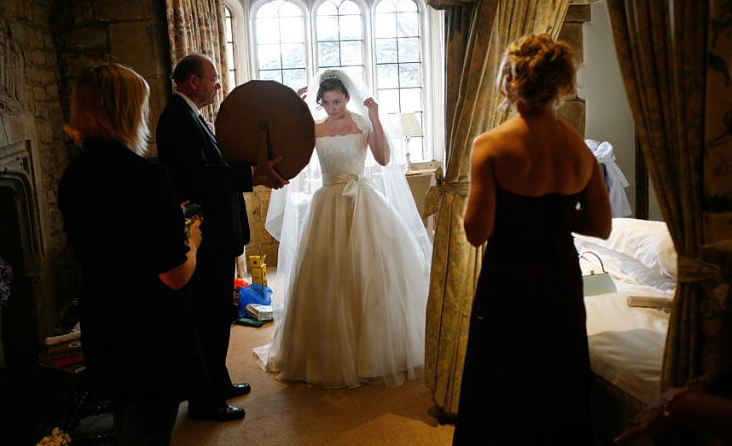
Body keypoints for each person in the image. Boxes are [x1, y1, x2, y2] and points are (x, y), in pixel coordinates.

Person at [453, 34, 612, 444]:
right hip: (560, 281)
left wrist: (514, 211)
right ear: (561, 84)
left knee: (502, 381)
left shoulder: (490, 146)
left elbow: (477, 233)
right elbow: (600, 225)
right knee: (558, 378)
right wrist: (556, 218)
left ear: (509, 81)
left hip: (509, 282)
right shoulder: (580, 151)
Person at [254, 69, 432, 389]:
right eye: (325, 103)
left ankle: (374, 349)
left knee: (368, 270)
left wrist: (375, 117)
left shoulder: (361, 124)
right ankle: (330, 351)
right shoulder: (315, 128)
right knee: (327, 273)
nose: (332, 107)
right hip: (328, 202)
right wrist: (294, 106)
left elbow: (382, 157)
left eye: (337, 101)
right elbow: (287, 147)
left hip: (362, 200)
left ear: (347, 98)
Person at [58, 63, 207, 446]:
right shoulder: (147, 176)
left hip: (104, 319)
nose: (145, 112)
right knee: (149, 432)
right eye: (141, 104)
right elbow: (174, 274)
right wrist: (192, 241)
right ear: (126, 111)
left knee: (127, 423)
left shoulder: (74, 176)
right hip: (150, 330)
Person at [155, 54, 287, 422]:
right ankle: (205, 400)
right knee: (210, 318)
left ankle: (219, 379)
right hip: (205, 236)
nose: (217, 86)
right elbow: (198, 178)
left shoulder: (190, 117)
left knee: (218, 314)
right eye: (213, 79)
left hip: (217, 235)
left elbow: (213, 167)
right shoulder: (176, 119)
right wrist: (252, 176)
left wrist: (258, 169)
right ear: (193, 81)